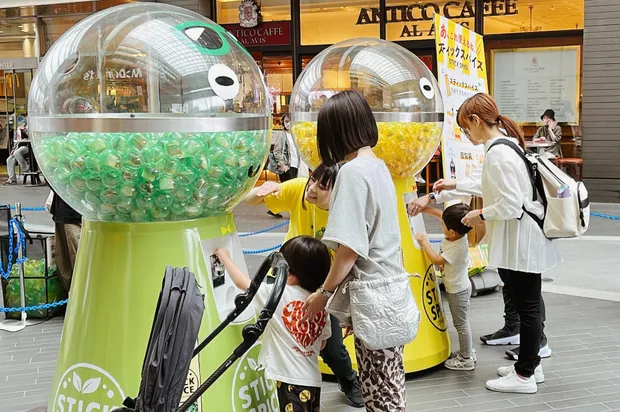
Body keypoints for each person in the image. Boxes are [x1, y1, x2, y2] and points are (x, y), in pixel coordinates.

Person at [303, 90, 413, 410]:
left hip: (373, 294)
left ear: (336, 132)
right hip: (389, 291)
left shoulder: (351, 173)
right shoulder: (378, 166)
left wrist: (323, 294)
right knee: (390, 381)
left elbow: (349, 249)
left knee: (380, 391)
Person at [456, 93, 561, 394]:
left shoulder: (498, 153)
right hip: (523, 239)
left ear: (476, 120)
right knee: (528, 306)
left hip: (521, 240)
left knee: (527, 308)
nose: (466, 134)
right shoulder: (506, 144)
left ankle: (524, 375)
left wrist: (478, 214)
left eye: (465, 127)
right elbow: (497, 188)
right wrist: (455, 185)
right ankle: (531, 366)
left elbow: (511, 205)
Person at [244, 163, 364, 407]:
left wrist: (346, 307)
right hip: (287, 277)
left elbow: (350, 262)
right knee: (271, 328)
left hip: (323, 287)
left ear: (339, 192)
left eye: (323, 186)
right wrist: (260, 191)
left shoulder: (346, 214)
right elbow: (249, 199)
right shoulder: (299, 188)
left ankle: (349, 380)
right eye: (313, 180)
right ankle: (272, 384)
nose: (312, 188)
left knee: (332, 348)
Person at [409, 163, 553, 363]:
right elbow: (476, 183)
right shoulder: (495, 155)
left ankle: (535, 348)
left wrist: (480, 213)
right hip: (506, 234)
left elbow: (492, 191)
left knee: (526, 294)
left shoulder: (502, 156)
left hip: (522, 236)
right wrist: (434, 197)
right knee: (509, 281)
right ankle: (513, 328)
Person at [215, 236, 332, 412]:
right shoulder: (321, 305)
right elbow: (322, 343)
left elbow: (244, 284)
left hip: (291, 381)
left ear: (288, 272)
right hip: (312, 380)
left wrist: (224, 257)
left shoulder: (279, 295)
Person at [412, 203, 476, 371]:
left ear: (452, 232)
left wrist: (424, 242)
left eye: (443, 226)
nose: (441, 224)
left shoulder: (457, 247)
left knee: (461, 324)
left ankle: (466, 358)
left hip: (458, 291)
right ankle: (467, 351)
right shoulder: (457, 232)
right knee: (461, 323)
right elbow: (440, 214)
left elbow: (436, 260)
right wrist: (421, 209)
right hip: (458, 286)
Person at [46, 190, 82, 292]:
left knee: (76, 262)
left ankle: (77, 294)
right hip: (67, 212)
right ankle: (73, 294)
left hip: (72, 212)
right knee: (67, 262)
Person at [273, 113, 300, 183]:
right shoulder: (282, 134)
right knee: (289, 187)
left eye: (291, 121)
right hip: (287, 166)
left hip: (295, 165)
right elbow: (277, 151)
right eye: (286, 121)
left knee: (294, 187)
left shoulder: (295, 135)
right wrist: (282, 164)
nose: (288, 124)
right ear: (283, 122)